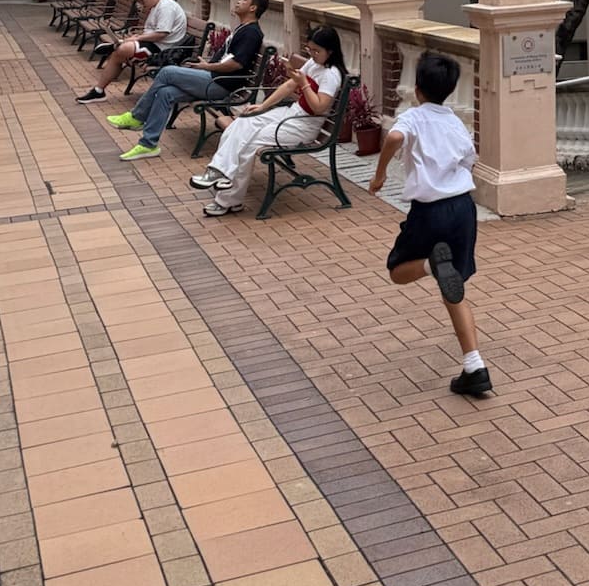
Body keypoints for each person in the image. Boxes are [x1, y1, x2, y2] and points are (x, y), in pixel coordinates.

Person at [370, 51, 492, 399]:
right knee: (453, 286)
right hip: (463, 208)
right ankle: (475, 366)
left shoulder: (414, 117)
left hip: (430, 209)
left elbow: (394, 138)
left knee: (397, 270)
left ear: (417, 88)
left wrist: (380, 176)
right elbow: (469, 158)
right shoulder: (455, 121)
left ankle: (429, 264)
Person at [189, 25, 346, 215]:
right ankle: (218, 171)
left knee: (250, 142)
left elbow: (319, 107)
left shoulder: (331, 74)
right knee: (242, 123)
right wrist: (263, 106)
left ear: (330, 51)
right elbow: (289, 86)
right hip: (291, 113)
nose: (312, 54)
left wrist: (304, 84)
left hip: (304, 125)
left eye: (317, 51)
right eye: (309, 49)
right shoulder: (313, 64)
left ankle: (228, 200)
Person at [108, 0, 269, 159]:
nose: (239, 2)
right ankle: (148, 145)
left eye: (244, 0)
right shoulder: (242, 28)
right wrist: (207, 65)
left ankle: (137, 116)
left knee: (167, 72)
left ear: (253, 8)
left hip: (220, 85)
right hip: (214, 78)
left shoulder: (251, 33)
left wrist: (207, 67)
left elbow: (235, 64)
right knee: (165, 93)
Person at [75, 0, 189, 100]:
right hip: (155, 44)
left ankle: (116, 45)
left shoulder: (166, 7)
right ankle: (99, 90)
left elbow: (161, 34)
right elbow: (154, 31)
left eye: (142, 0)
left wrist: (138, 38)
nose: (141, 4)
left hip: (163, 49)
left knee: (122, 50)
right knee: (118, 55)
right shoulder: (157, 6)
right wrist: (139, 36)